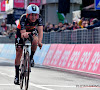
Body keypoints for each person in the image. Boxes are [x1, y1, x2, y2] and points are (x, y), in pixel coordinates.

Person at [14, 4, 43, 85]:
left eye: (35, 15)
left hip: (31, 31)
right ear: (27, 15)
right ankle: (16, 76)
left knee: (35, 40)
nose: (34, 17)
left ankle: (31, 58)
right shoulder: (23, 18)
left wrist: (39, 41)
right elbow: (23, 33)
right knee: (19, 51)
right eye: (32, 15)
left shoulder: (39, 18)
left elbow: (40, 31)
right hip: (21, 32)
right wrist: (25, 34)